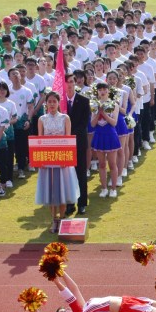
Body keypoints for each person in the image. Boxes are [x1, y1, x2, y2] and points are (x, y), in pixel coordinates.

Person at [36, 91, 80, 233]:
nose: (52, 104)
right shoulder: (42, 119)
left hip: (62, 160)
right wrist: (41, 161)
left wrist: (65, 159)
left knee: (62, 191)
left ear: (58, 102)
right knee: (50, 192)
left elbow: (68, 139)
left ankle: (62, 218)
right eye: (49, 101)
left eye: (54, 101)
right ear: (46, 103)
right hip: (48, 159)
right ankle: (53, 220)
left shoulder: (65, 118)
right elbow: (39, 140)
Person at [64, 73, 91, 216]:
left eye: (71, 82)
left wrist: (70, 135)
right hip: (64, 144)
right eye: (66, 82)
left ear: (75, 83)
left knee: (80, 173)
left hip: (78, 142)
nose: (69, 84)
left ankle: (82, 203)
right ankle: (70, 203)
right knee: (67, 175)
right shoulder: (60, 101)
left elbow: (83, 123)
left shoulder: (84, 101)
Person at [91, 82, 121, 198]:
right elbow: (93, 124)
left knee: (112, 163)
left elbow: (114, 123)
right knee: (102, 164)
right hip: (99, 135)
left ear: (108, 91)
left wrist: (103, 113)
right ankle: (104, 188)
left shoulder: (114, 104)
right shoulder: (94, 105)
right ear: (97, 92)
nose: (102, 92)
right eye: (100, 90)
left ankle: (113, 188)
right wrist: (98, 112)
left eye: (104, 89)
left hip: (110, 135)